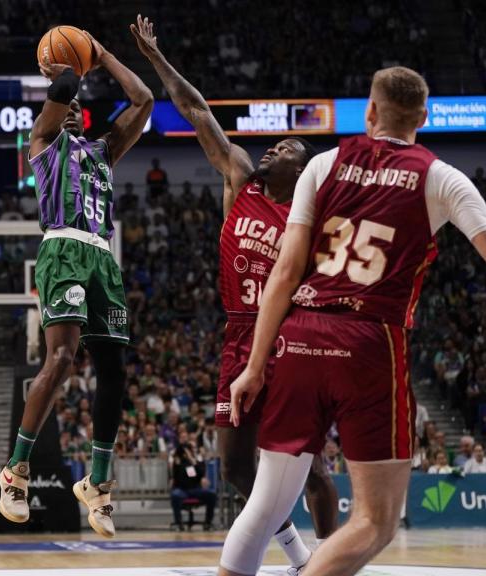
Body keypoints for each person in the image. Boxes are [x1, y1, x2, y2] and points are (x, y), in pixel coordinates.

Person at [228, 66, 486, 576]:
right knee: (376, 520)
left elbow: (283, 273)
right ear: (424, 118)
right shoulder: (440, 177)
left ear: (370, 112)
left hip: (298, 335)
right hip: (369, 339)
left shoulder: (323, 165)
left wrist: (254, 366)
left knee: (264, 506)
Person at [131, 15, 337, 571]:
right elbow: (198, 111)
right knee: (239, 470)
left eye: (286, 147)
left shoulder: (311, 217)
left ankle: (328, 562)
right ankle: (297, 556)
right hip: (238, 335)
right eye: (273, 144)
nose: (272, 149)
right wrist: (156, 59)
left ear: (306, 168)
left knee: (312, 470)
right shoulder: (240, 179)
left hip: (290, 341)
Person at [0, 26, 153, 539]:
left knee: (114, 372)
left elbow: (144, 98)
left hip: (102, 258)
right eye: (61, 107)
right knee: (61, 360)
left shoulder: (103, 152)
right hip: (62, 249)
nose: (69, 109)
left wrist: (103, 53)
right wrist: (71, 65)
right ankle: (15, 472)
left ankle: (99, 484)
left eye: (76, 108)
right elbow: (63, 83)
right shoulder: (42, 143)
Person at [170, 441, 216, 531]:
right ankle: (178, 523)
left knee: (211, 495)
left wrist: (192, 460)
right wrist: (179, 461)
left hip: (195, 489)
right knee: (175, 495)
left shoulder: (195, 462)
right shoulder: (177, 463)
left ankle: (208, 523)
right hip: (182, 490)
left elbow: (199, 474)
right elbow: (178, 476)